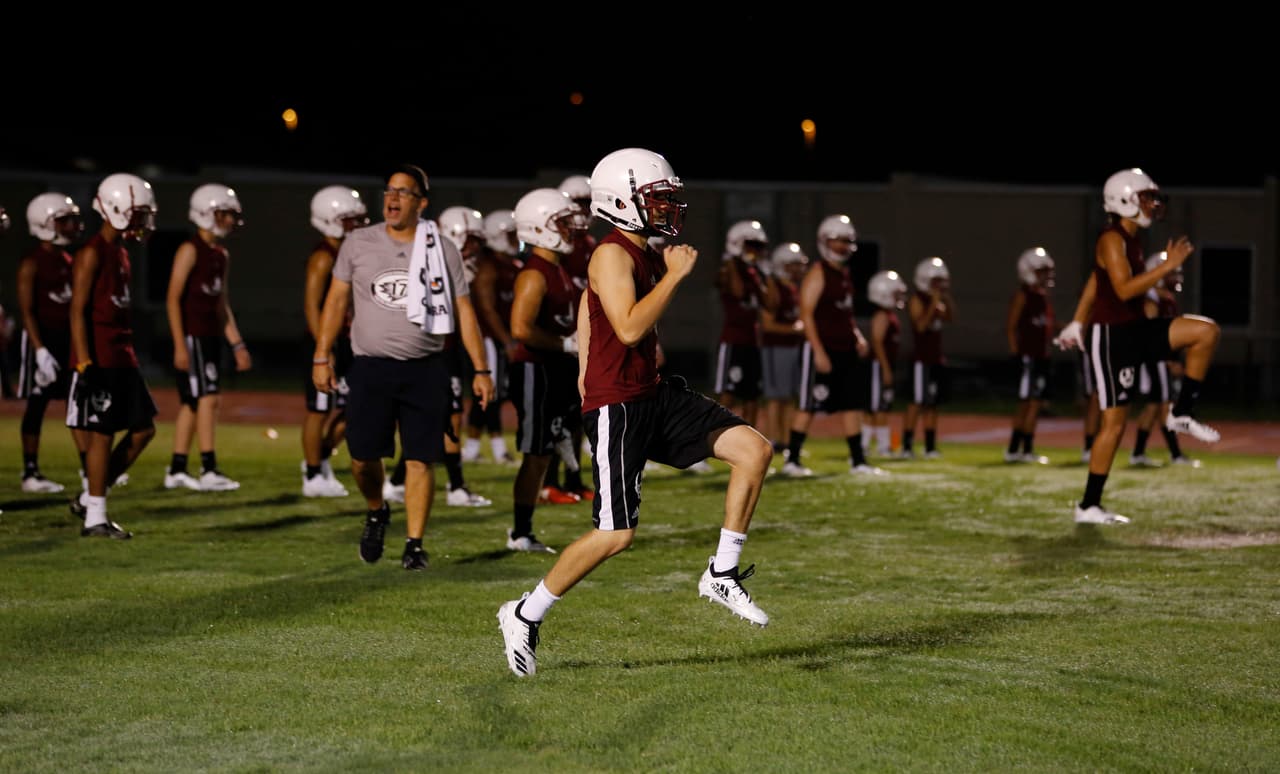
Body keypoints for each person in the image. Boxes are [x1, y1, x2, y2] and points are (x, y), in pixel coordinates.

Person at [498, 148, 774, 676]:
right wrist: (674, 278)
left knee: (753, 450)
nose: (668, 207)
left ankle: (722, 572)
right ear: (622, 201)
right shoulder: (611, 253)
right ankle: (526, 613)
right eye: (658, 198)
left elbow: (593, 320)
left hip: (650, 392)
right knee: (616, 535)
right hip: (619, 405)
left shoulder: (639, 252)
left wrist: (593, 370)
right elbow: (626, 328)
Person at [313, 164, 495, 570]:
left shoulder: (440, 247)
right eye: (389, 191)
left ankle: (414, 544)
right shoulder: (358, 242)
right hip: (370, 366)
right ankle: (376, 509)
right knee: (362, 458)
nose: (392, 198)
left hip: (424, 367)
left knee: (420, 459)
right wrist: (321, 355)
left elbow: (465, 311)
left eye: (403, 192)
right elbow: (336, 301)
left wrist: (481, 370)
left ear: (422, 203)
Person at [1055, 168, 1221, 525]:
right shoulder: (1112, 238)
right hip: (1111, 337)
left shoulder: (1130, 239)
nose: (1152, 205)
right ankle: (1088, 506)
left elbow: (1095, 280)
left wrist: (1076, 319)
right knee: (1114, 426)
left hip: (1134, 328)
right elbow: (1122, 290)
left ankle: (1181, 412)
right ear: (1124, 199)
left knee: (1206, 332)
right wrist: (1167, 267)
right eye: (1146, 198)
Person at [66, 173, 161, 539]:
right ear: (116, 209)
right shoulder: (92, 252)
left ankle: (89, 498)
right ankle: (95, 517)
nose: (142, 222)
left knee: (143, 429)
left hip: (122, 353)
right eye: (137, 214)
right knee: (102, 434)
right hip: (100, 356)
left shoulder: (120, 251)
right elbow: (77, 310)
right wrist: (84, 362)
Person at [504, 187, 591, 552]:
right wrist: (565, 344)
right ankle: (520, 532)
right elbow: (520, 329)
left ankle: (526, 528)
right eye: (562, 222)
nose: (570, 229)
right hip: (535, 371)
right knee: (537, 452)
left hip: (554, 369)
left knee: (548, 449)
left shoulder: (558, 269)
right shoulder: (535, 273)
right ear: (539, 226)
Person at [779, 214, 886, 477]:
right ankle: (792, 460)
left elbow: (845, 314)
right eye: (837, 241)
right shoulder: (818, 273)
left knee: (851, 404)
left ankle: (858, 461)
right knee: (808, 405)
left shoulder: (844, 274)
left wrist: (858, 337)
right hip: (822, 349)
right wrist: (818, 351)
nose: (842, 246)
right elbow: (806, 314)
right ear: (825, 241)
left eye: (846, 241)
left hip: (845, 350)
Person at [162, 183, 250, 492]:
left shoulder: (220, 254)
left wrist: (237, 344)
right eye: (223, 213)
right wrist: (179, 344)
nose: (229, 220)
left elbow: (221, 304)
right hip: (193, 337)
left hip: (210, 337)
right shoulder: (190, 250)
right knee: (209, 399)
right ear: (205, 212)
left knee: (192, 403)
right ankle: (209, 467)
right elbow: (172, 298)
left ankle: (177, 468)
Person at [16, 192, 88, 493]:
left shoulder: (68, 260)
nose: (71, 226)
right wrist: (40, 350)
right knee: (37, 405)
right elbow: (27, 311)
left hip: (65, 340)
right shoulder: (32, 263)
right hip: (41, 340)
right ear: (43, 222)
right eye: (63, 220)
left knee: (76, 404)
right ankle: (30, 471)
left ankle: (89, 467)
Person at [301, 185, 369, 497]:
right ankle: (312, 473)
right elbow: (311, 305)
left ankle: (322, 457)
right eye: (348, 219)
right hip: (325, 341)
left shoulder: (349, 252)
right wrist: (323, 348)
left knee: (354, 407)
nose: (355, 225)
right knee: (319, 409)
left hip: (348, 340)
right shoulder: (322, 256)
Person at [430, 205, 493, 508]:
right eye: (470, 242)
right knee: (442, 418)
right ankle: (453, 485)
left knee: (446, 418)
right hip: (434, 352)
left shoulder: (454, 266)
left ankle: (402, 481)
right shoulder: (433, 266)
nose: (474, 250)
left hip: (447, 350)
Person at [1129, 251, 1200, 468]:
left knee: (1155, 405)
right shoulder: (1152, 297)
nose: (1176, 277)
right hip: (1156, 358)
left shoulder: (1166, 298)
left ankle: (1139, 453)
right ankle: (1175, 454)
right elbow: (1151, 330)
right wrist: (1167, 361)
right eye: (1171, 272)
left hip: (1160, 358)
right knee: (1163, 406)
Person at [462, 208, 520, 466]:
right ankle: (495, 448)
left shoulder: (512, 265)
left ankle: (473, 447)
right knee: (489, 392)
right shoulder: (488, 267)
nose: (515, 239)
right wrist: (506, 340)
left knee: (492, 393)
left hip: (500, 337)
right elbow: (487, 309)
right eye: (511, 234)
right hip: (488, 338)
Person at [1004, 247, 1056, 464]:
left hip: (1041, 356)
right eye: (1041, 271)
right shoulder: (1023, 296)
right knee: (1025, 404)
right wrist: (1016, 354)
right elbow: (1011, 327)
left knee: (1035, 404)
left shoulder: (1042, 297)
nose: (1045, 275)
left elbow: (1047, 325)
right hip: (1027, 357)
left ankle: (1027, 449)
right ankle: (1013, 449)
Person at [899, 257, 954, 459]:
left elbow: (951, 317)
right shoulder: (918, 300)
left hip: (935, 359)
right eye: (935, 281)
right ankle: (906, 446)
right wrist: (933, 304)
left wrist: (945, 299)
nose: (938, 285)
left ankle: (930, 447)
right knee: (916, 402)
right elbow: (921, 326)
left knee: (932, 404)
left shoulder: (937, 300)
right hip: (920, 360)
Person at [714, 219, 768, 426]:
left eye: (758, 246)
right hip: (733, 341)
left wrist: (767, 274)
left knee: (752, 397)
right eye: (751, 245)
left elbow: (770, 303)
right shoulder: (728, 269)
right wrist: (734, 259)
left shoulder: (754, 272)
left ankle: (748, 436)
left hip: (752, 342)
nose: (756, 251)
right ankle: (716, 435)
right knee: (728, 395)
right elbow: (737, 292)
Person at [757, 242, 807, 453]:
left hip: (791, 347)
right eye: (793, 264)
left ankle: (786, 441)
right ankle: (772, 439)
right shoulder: (774, 288)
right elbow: (768, 325)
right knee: (776, 397)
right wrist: (795, 329)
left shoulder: (792, 288)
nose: (798, 268)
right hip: (775, 347)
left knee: (788, 397)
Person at [865, 269, 907, 458]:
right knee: (877, 407)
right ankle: (881, 446)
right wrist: (886, 369)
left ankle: (868, 445)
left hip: (880, 366)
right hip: (877, 367)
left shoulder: (888, 314)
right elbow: (877, 342)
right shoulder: (882, 316)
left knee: (878, 406)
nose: (898, 296)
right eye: (895, 292)